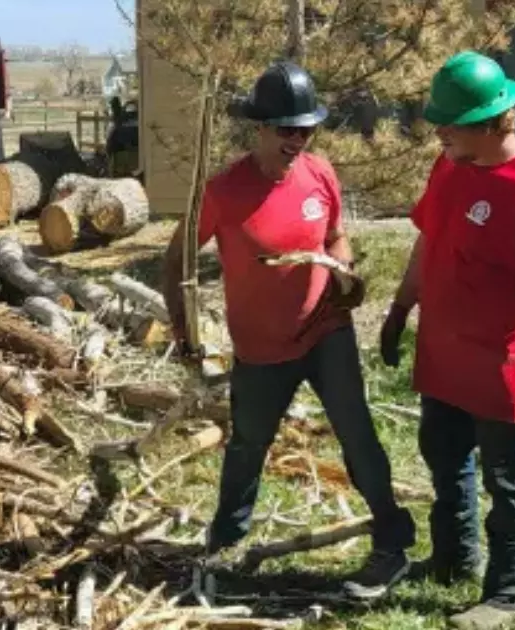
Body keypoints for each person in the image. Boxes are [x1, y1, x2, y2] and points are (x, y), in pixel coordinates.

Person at [160, 59, 417, 600]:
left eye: (306, 130)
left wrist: (342, 271)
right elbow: (175, 261)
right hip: (261, 349)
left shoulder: (319, 174)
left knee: (358, 434)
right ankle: (226, 543)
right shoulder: (224, 191)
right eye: (286, 131)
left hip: (327, 333)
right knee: (249, 444)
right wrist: (183, 330)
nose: (297, 140)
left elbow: (336, 236)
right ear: (259, 128)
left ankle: (392, 540)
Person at [378, 50, 515, 630]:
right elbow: (428, 239)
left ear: (491, 122)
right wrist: (399, 309)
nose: (438, 132)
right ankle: (452, 561)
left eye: (449, 122)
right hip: (445, 355)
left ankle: (506, 594)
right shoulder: (451, 164)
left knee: (507, 481)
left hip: (505, 365)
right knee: (444, 464)